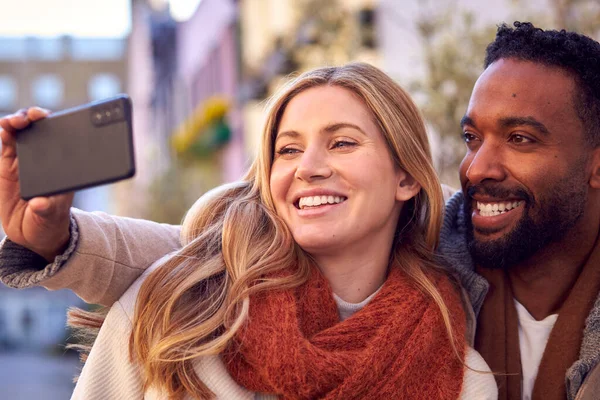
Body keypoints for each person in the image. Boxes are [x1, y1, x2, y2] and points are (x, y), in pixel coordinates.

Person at [4, 20, 600, 400]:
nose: (477, 169)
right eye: (287, 149)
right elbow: (194, 252)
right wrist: (60, 235)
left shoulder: (459, 373)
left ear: (405, 177)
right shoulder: (173, 311)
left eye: (342, 142)